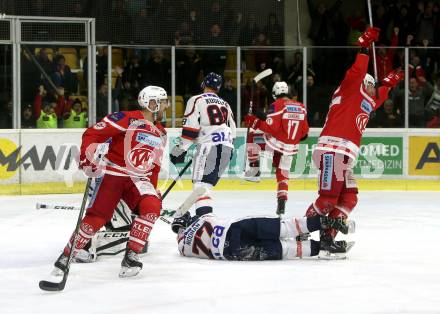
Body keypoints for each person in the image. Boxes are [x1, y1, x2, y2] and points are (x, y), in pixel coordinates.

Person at [50, 85, 168, 278]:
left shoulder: (161, 133)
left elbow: (153, 166)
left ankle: (131, 256)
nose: (166, 106)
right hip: (113, 173)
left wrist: (153, 190)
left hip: (138, 179)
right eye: (163, 102)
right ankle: (66, 257)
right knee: (97, 217)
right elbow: (92, 134)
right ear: (152, 103)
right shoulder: (126, 118)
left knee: (151, 206)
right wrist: (87, 159)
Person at [304, 27, 404, 242]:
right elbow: (357, 71)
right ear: (365, 84)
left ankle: (328, 236)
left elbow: (377, 97)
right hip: (334, 149)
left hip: (344, 154)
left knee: (349, 197)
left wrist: (390, 82)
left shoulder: (365, 101)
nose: (373, 89)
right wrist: (365, 47)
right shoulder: (350, 88)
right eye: (372, 85)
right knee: (328, 199)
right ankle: (298, 232)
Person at [170, 73, 236, 216]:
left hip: (209, 147)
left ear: (203, 84)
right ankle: (203, 219)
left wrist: (180, 150)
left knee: (200, 187)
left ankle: (203, 222)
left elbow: (190, 130)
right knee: (206, 186)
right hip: (227, 148)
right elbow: (233, 131)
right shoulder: (225, 104)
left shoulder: (196, 99)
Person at [171, 211, 355, 261]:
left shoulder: (182, 248)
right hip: (236, 230)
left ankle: (322, 247)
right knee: (284, 228)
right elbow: (209, 215)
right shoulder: (201, 219)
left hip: (233, 252)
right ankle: (329, 223)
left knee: (284, 249)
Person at [244, 81, 309, 215]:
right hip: (291, 147)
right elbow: (304, 133)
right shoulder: (301, 107)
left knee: (253, 133)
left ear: (275, 94)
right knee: (283, 173)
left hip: (276, 144)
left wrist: (254, 121)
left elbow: (270, 128)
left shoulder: (276, 105)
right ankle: (282, 201)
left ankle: (254, 169)